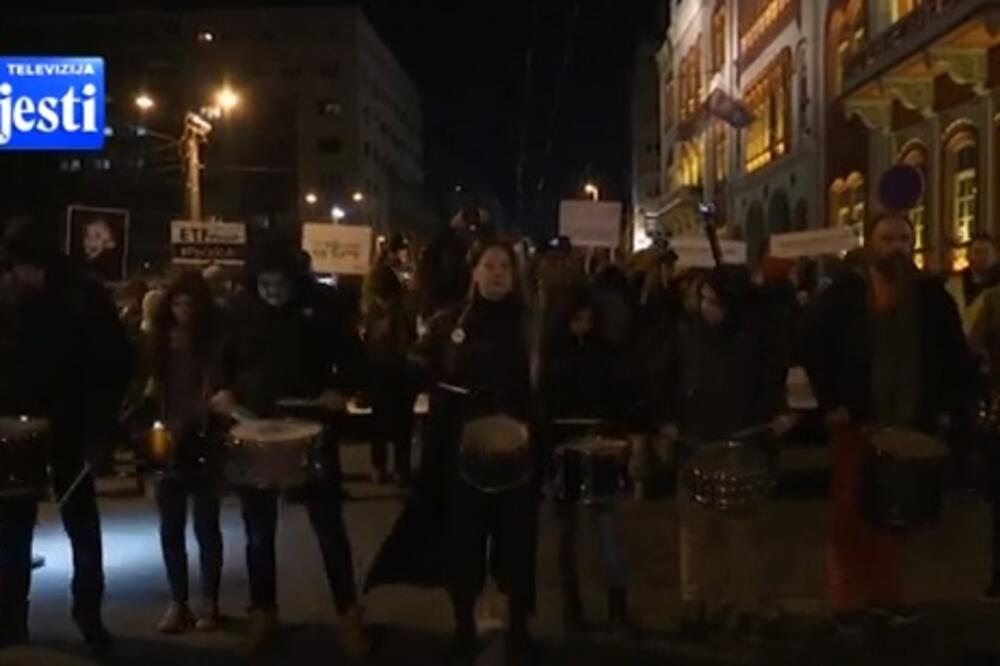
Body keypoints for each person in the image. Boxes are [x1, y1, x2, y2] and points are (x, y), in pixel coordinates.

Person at [366, 240, 540, 666]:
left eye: (505, 266)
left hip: (518, 455)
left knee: (517, 546)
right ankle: (463, 627)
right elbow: (417, 365)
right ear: (474, 273)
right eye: (489, 265)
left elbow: (546, 385)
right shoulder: (450, 322)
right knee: (464, 545)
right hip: (461, 456)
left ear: (515, 275)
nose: (497, 273)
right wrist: (402, 361)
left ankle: (519, 629)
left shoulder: (531, 325)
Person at [804, 212, 969, 631]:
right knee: (849, 513)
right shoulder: (843, 295)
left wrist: (945, 406)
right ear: (871, 242)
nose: (896, 246)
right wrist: (832, 401)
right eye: (887, 238)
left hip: (908, 421)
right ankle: (846, 599)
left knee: (895, 513)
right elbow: (814, 348)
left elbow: (951, 354)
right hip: (857, 418)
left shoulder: (931, 297)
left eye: (902, 238)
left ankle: (887, 595)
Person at [210, 241, 368, 658]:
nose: (272, 291)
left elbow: (354, 357)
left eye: (280, 284)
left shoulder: (324, 306)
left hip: (310, 429)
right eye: (264, 284)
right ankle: (264, 611)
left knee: (329, 528)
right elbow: (221, 363)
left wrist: (340, 389)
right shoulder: (239, 310)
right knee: (258, 532)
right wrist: (223, 391)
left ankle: (348, 612)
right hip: (255, 428)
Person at [0, 216, 133, 654]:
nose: (25, 276)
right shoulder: (7, 297)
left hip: (74, 425)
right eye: (18, 267)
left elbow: (114, 364)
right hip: (18, 426)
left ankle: (89, 616)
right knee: (13, 528)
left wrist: (101, 431)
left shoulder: (83, 297)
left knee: (81, 523)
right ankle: (11, 618)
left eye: (31, 267)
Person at [661, 265, 793, 639]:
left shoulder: (756, 337)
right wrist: (666, 418)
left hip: (741, 443)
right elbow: (666, 376)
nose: (707, 308)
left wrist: (780, 414)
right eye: (703, 300)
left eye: (714, 302)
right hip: (696, 441)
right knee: (694, 529)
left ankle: (746, 603)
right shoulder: (687, 332)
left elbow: (774, 379)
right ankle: (696, 601)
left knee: (740, 530)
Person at [540, 289, 633, 636]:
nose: (582, 327)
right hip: (565, 450)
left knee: (608, 530)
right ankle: (572, 605)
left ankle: (617, 605)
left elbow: (619, 394)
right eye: (576, 320)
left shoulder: (604, 353)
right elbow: (545, 402)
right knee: (567, 533)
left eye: (587, 321)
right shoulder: (554, 355)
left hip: (599, 448)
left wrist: (614, 429)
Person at [143, 271, 225, 633]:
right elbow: (148, 393)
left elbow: (216, 390)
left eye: (190, 304)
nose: (183, 311)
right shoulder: (158, 342)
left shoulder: (213, 344)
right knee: (170, 528)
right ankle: (179, 601)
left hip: (203, 438)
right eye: (178, 304)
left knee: (207, 526)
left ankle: (210, 600)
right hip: (168, 442)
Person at [363, 232, 418, 485]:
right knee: (398, 417)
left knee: (382, 417)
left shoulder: (379, 275)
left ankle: (382, 466)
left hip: (382, 355)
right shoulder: (388, 277)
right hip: (393, 354)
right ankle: (398, 467)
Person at [946, 233, 999, 334]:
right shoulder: (953, 284)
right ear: (969, 255)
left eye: (986, 252)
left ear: (995, 256)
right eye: (977, 252)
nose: (981, 257)